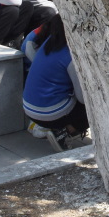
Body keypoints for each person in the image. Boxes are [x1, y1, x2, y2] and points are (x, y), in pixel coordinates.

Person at [22, 15, 89, 152]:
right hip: (50, 113)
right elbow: (83, 98)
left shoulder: (49, 42)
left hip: (29, 109)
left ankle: (44, 126)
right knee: (93, 106)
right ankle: (64, 132)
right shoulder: (71, 55)